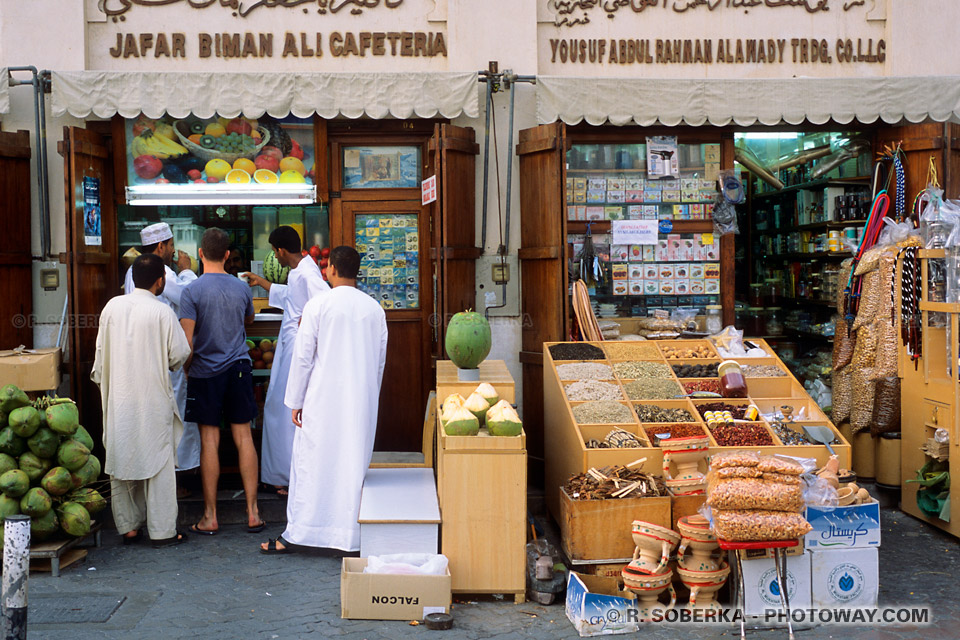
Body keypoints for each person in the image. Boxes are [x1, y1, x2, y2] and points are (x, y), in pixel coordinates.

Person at [260, 246, 387, 555]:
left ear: (330, 269)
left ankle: (302, 533)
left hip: (321, 399)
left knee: (312, 465)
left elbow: (302, 359)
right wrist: (370, 394)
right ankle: (350, 538)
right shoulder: (374, 310)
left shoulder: (319, 306)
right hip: (360, 401)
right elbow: (379, 361)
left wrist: (295, 401)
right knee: (351, 467)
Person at [92, 253, 191, 548]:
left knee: (122, 458)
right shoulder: (162, 312)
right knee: (158, 463)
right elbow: (180, 354)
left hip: (119, 398)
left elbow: (99, 359)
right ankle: (162, 532)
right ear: (161, 281)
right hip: (152, 400)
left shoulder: (111, 307)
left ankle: (129, 528)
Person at [179, 228, 265, 535]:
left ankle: (210, 516)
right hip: (239, 368)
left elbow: (187, 342)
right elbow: (249, 320)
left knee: (209, 441)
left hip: (205, 372)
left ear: (201, 254)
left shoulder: (192, 292)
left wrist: (187, 369)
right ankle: (253, 512)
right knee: (244, 437)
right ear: (227, 255)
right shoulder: (241, 288)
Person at [243, 227, 328, 496]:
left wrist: (309, 319)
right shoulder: (299, 270)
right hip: (290, 346)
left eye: (273, 250)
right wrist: (261, 281)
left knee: (284, 408)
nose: (274, 256)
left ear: (280, 250)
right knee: (278, 407)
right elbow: (291, 296)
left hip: (297, 348)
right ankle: (281, 474)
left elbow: (323, 300)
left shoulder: (306, 270)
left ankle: (287, 476)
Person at [123, 222, 201, 481]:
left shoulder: (133, 272)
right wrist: (188, 271)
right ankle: (179, 473)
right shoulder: (162, 271)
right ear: (160, 246)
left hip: (138, 353)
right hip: (164, 354)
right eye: (171, 246)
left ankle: (154, 468)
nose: (173, 251)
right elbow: (188, 297)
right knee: (175, 412)